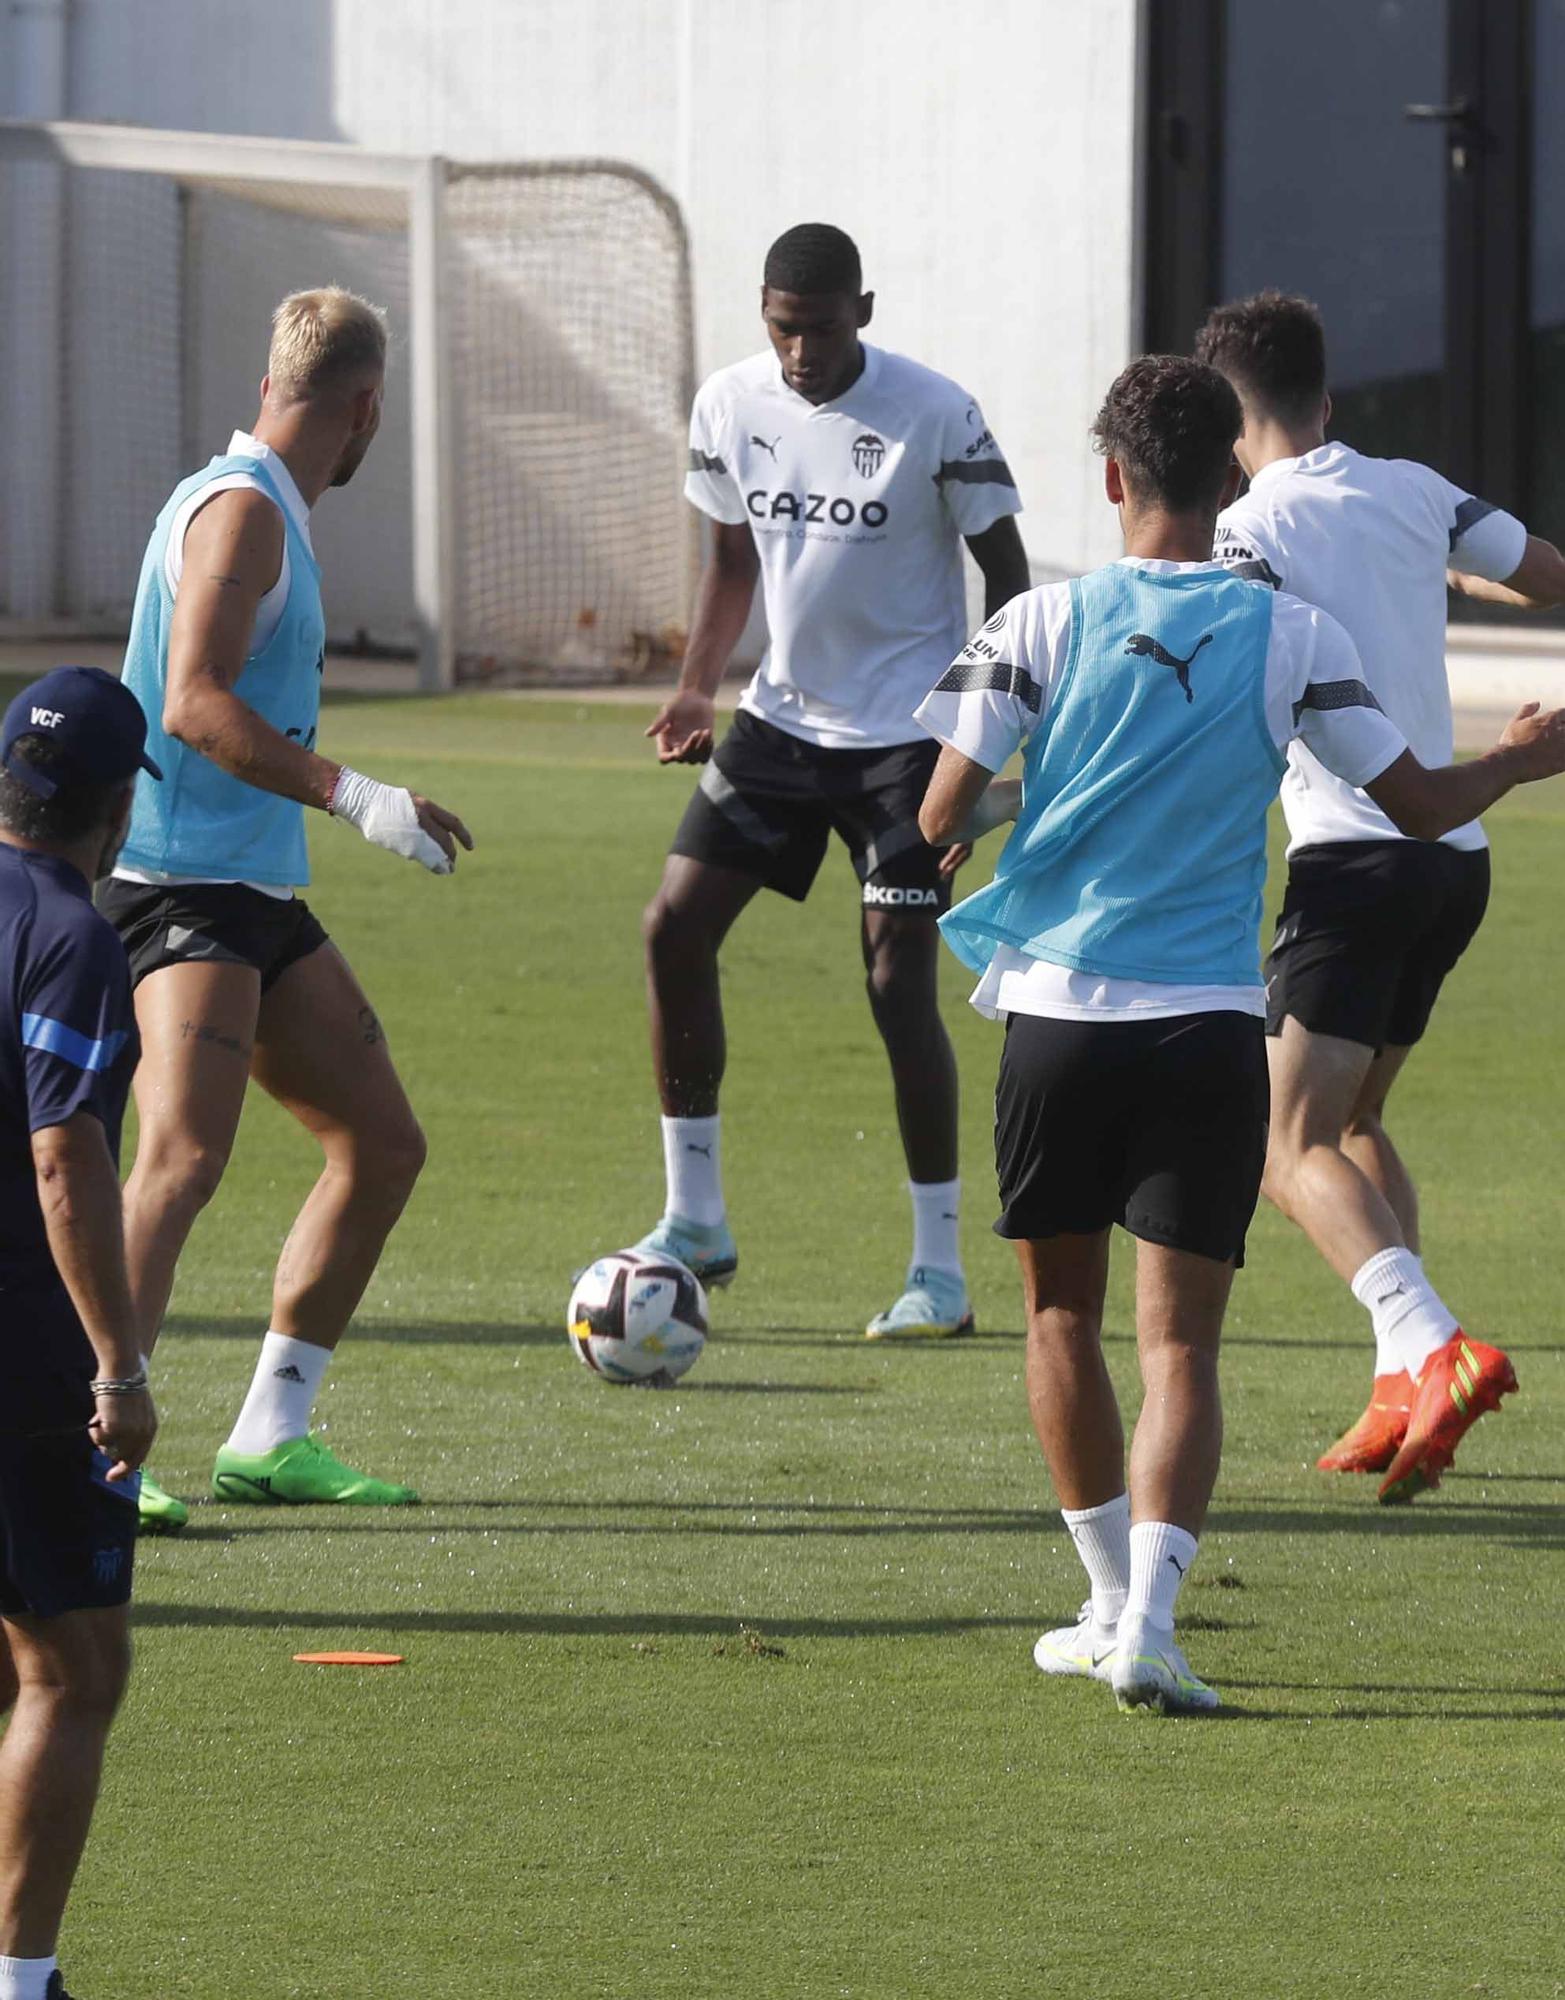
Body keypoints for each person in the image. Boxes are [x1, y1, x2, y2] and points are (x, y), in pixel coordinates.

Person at [915, 355, 1565, 1711]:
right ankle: (1150, 1623)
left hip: (1056, 1021)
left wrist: (1041, 795)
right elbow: (1421, 801)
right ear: (1233, 480)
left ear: (1109, 479)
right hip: (1207, 1025)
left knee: (1056, 1317)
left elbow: (937, 817)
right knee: (1180, 1352)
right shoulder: (1293, 638)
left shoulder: (1037, 624)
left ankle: (1099, 1603)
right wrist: (1519, 757)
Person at [101, 287, 473, 1532]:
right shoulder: (246, 513)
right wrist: (356, 792)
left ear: (274, 382)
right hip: (180, 887)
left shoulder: (262, 500)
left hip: (252, 886)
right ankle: (94, 1434)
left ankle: (270, 1430)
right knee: (181, 1156)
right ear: (365, 409)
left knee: (380, 1145)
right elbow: (193, 702)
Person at [1195, 290, 1565, 1502]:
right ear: (1326, 397)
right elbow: (1547, 574)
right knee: (1347, 1126)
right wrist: (1429, 581)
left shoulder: (1241, 525)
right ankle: (1399, 1382)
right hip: (1453, 857)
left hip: (1354, 857)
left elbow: (1232, 653)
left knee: (1280, 1139)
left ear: (1224, 412)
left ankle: (1431, 1340)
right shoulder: (1413, 488)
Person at [639, 222, 1030, 1337]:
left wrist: (981, 732)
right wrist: (696, 685)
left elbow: (1002, 571)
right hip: (777, 724)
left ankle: (937, 1273)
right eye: (780, 326)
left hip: (906, 740)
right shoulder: (729, 404)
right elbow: (727, 564)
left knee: (893, 982)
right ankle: (696, 1216)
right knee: (671, 928)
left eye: (817, 326)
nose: (798, 349)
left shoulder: (935, 412)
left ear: (864, 308)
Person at [0, 668, 162, 2000]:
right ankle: (21, 1983)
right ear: (113, 808)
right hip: (21, 1362)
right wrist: (119, 1366)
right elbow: (67, 1159)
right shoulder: (72, 934)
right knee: (74, 1664)